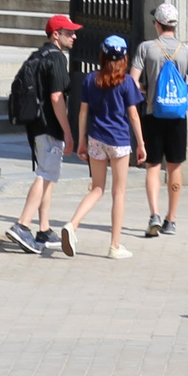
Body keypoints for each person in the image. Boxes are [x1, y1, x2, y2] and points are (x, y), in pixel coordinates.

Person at [56, 33, 145, 259]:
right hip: (119, 141)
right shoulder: (126, 83)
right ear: (125, 58)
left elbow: (83, 111)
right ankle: (115, 245)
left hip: (96, 138)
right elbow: (133, 116)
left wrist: (81, 140)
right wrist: (141, 143)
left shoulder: (90, 79)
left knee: (97, 188)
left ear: (102, 56)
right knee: (119, 191)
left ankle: (72, 225)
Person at [7, 14, 81, 255]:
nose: (74, 36)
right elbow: (57, 97)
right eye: (69, 32)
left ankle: (44, 230)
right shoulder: (57, 58)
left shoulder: (38, 55)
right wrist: (68, 133)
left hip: (35, 124)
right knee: (46, 173)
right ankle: (22, 225)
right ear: (56, 34)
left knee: (49, 174)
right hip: (49, 126)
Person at [134, 1, 188, 237]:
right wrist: (180, 93)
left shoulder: (146, 48)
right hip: (177, 116)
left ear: (157, 23)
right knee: (175, 166)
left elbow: (132, 81)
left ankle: (153, 214)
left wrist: (149, 92)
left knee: (153, 166)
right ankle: (171, 219)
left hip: (153, 113)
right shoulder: (186, 50)